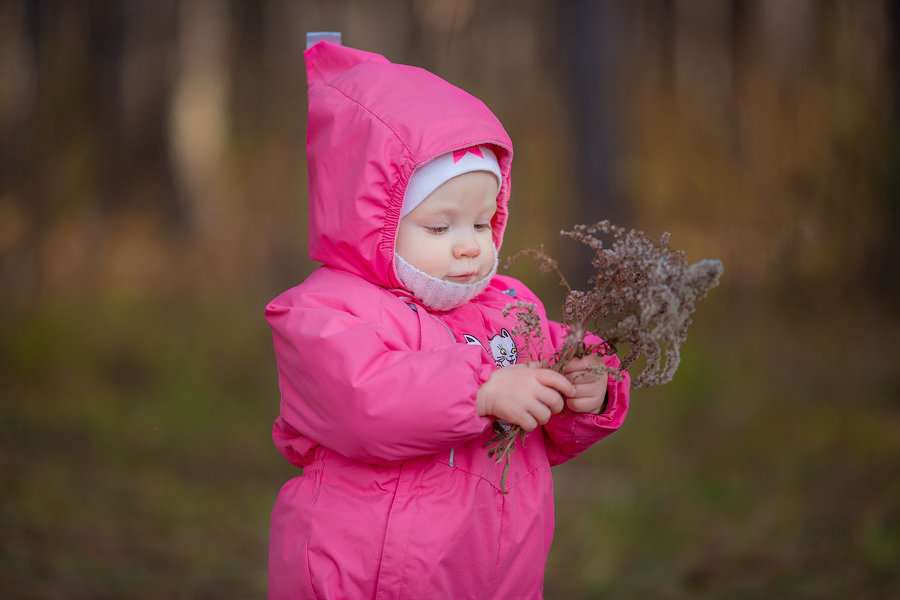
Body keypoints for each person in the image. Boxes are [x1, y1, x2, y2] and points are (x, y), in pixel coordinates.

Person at [266, 39, 630, 599]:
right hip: (370, 579)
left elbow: (549, 426)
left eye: (482, 224)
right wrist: (481, 391)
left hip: (497, 576)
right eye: (441, 227)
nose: (468, 248)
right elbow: (366, 401)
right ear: (371, 219)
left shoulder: (511, 310)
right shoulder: (323, 313)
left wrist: (588, 389)